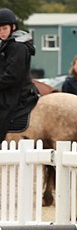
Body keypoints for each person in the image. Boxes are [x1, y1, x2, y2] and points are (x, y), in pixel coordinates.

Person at [0, 8, 40, 139]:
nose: (1, 32)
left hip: (17, 92)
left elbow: (12, 76)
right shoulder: (6, 44)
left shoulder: (17, 47)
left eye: (4, 28)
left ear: (13, 27)